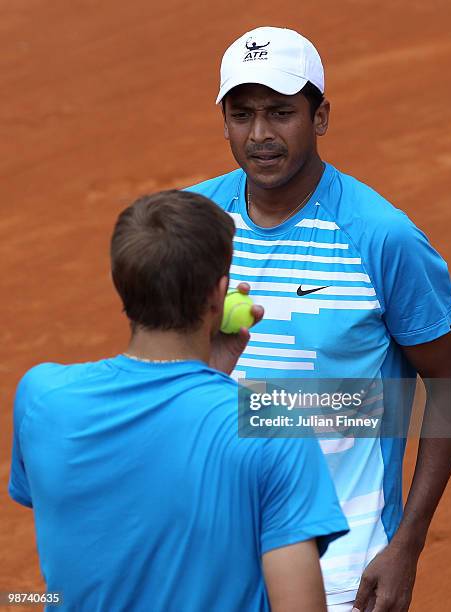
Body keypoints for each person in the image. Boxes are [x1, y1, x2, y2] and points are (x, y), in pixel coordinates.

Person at [186, 26, 451, 612]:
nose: (260, 135)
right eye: (241, 115)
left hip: (342, 572)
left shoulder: (384, 239)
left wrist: (408, 543)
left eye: (280, 113)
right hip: (215, 567)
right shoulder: (192, 226)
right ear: (223, 120)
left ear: (320, 117)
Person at [8, 190, 349, 611]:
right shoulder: (274, 429)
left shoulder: (41, 398)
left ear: (124, 288)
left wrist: (207, 377)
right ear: (218, 295)